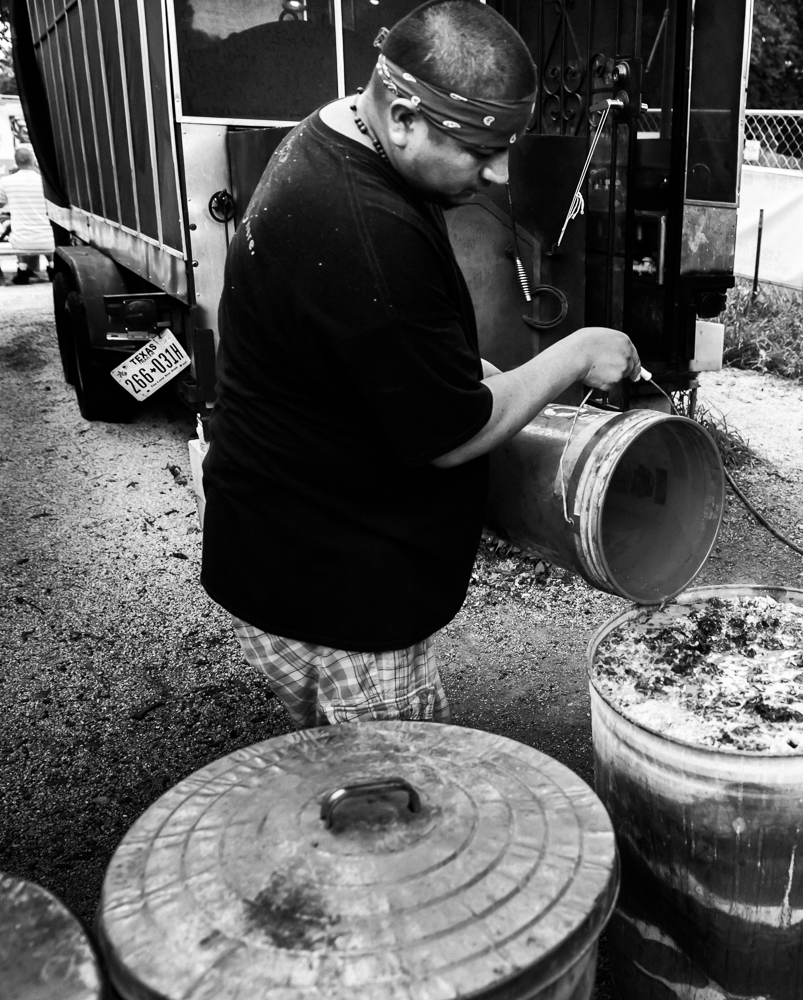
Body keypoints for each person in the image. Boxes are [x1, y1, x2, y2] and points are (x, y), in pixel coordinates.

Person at [200, 0, 638, 729]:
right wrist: (576, 351)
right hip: (333, 592)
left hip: (281, 538)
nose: (500, 173)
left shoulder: (337, 134)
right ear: (403, 117)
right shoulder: (364, 227)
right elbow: (449, 435)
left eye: (507, 145)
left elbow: (382, 343)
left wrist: (472, 368)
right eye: (479, 148)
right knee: (398, 811)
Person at [0, 144, 54, 284]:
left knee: (13, 226)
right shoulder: (45, 181)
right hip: (50, 240)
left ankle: (22, 270)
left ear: (16, 163)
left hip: (21, 240)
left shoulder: (6, 181)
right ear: (33, 161)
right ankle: (52, 267)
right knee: (44, 228)